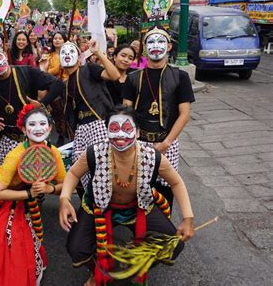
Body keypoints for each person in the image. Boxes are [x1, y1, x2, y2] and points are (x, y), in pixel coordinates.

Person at [59, 105, 195, 286]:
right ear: (106, 132)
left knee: (174, 246)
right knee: (76, 248)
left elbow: (176, 182)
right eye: (114, 129)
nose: (121, 135)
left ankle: (137, 264)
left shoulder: (152, 156)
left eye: (127, 129)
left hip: (137, 208)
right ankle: (98, 273)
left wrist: (188, 218)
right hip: (99, 206)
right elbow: (74, 174)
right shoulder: (94, 153)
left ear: (137, 132)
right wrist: (64, 199)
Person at [0, 105, 66, 285]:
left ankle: (30, 268)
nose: (38, 128)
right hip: (1, 194)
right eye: (32, 124)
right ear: (23, 129)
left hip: (26, 197)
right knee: (11, 237)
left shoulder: (53, 153)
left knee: (30, 233)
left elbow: (64, 185)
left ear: (50, 128)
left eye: (43, 123)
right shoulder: (15, 155)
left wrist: (49, 189)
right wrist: (29, 193)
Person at [123, 26, 195, 208]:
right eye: (151, 42)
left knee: (165, 188)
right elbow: (126, 112)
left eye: (161, 41)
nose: (156, 46)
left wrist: (166, 143)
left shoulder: (181, 77)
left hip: (167, 141)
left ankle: (163, 230)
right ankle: (140, 228)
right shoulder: (133, 77)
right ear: (144, 47)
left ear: (169, 46)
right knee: (139, 187)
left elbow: (185, 114)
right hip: (139, 142)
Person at [0, 46, 63, 165]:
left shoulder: (26, 72)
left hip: (33, 137)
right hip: (6, 139)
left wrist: (42, 104)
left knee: (35, 176)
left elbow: (58, 84)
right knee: (9, 180)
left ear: (5, 56)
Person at [60, 40, 120, 194]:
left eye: (71, 51)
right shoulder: (66, 84)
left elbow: (115, 75)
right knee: (79, 171)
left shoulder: (88, 69)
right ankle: (89, 207)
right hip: (80, 130)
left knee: (100, 168)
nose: (67, 55)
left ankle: (103, 206)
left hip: (98, 123)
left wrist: (98, 53)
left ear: (79, 56)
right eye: (63, 52)